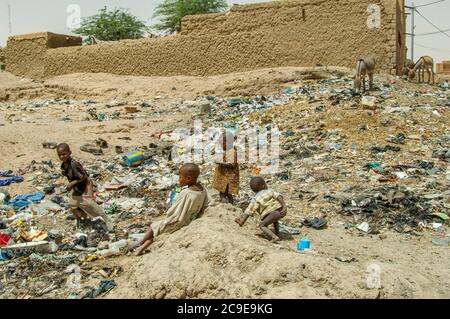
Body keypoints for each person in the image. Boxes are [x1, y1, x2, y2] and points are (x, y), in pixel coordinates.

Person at [134, 163, 210, 256]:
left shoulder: (186, 193)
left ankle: (140, 243)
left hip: (179, 222)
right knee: (158, 230)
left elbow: (173, 211)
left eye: (180, 177)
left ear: (188, 178)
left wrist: (168, 210)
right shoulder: (202, 189)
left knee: (154, 227)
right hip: (191, 218)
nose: (179, 180)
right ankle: (140, 249)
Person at [56, 143, 113, 231]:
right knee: (73, 204)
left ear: (69, 152)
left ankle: (106, 219)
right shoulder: (64, 165)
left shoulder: (74, 164)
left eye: (64, 154)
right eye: (59, 155)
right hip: (77, 186)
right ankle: (81, 219)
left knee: (89, 202)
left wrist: (71, 184)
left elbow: (83, 177)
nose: (62, 157)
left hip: (85, 183)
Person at [235, 176, 287, 242]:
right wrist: (284, 206)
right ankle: (277, 234)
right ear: (263, 186)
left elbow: (248, 211)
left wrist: (242, 222)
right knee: (274, 220)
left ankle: (274, 237)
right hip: (280, 211)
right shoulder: (269, 191)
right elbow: (278, 196)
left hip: (271, 214)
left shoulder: (255, 199)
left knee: (262, 225)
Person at [212, 131, 239, 204]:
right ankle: (229, 204)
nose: (221, 146)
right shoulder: (227, 150)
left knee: (223, 193)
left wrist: (220, 162)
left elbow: (232, 164)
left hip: (227, 177)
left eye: (222, 144)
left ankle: (226, 205)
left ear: (228, 143)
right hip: (224, 176)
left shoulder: (232, 152)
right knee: (226, 192)